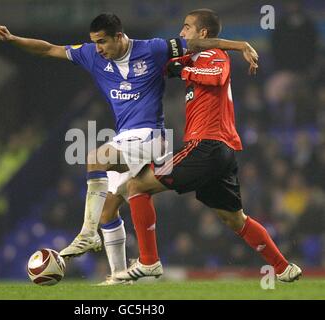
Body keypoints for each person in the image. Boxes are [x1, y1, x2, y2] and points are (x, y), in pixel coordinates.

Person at [0, 13, 259, 285]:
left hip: (153, 137)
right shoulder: (91, 54)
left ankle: (87, 233)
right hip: (125, 138)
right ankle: (119, 279)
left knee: (96, 158)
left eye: (103, 41)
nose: (99, 48)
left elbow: (198, 44)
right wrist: (12, 39)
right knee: (109, 209)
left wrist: (240, 46)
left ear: (119, 36)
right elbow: (48, 49)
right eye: (95, 42)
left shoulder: (151, 48)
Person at [115, 9, 302, 283]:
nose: (181, 32)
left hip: (207, 146)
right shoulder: (195, 56)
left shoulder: (214, 55)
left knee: (136, 185)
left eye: (187, 27)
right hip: (218, 152)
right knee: (235, 219)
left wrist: (185, 68)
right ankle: (285, 268)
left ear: (203, 33)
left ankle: (149, 262)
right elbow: (165, 63)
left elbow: (213, 76)